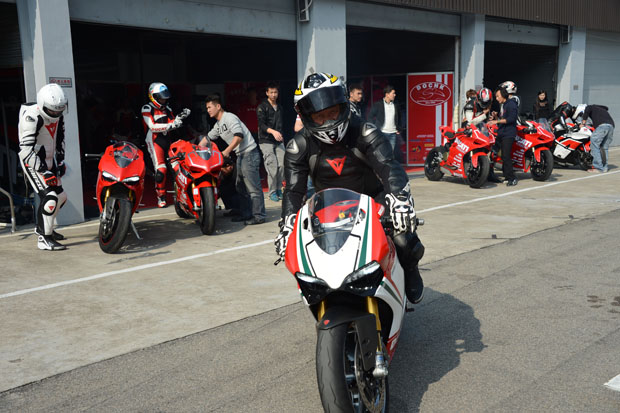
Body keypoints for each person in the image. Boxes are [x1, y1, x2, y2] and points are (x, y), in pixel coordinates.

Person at [275, 72, 425, 304]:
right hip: (327, 207)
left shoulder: (364, 131)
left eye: (332, 112)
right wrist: (287, 225)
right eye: (319, 116)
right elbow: (293, 191)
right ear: (307, 117)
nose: (328, 120)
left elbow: (389, 167)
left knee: (404, 239)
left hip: (373, 200)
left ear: (343, 106)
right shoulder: (298, 146)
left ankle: (410, 269)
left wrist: (400, 199)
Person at [199, 94, 266, 225]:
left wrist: (227, 151)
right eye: (206, 108)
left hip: (249, 154)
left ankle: (259, 216)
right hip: (241, 155)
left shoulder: (229, 118)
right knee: (240, 186)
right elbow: (207, 139)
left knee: (253, 188)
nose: (208, 110)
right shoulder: (218, 124)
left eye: (209, 107)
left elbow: (239, 136)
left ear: (218, 106)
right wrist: (194, 149)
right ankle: (246, 213)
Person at [18, 83, 69, 250]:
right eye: (53, 110)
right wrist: (43, 171)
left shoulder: (58, 115)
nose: (56, 113)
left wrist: (60, 161)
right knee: (50, 198)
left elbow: (60, 139)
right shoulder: (32, 117)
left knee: (61, 198)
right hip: (32, 162)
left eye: (59, 110)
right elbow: (25, 151)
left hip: (49, 159)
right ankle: (44, 238)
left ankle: (45, 228)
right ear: (42, 105)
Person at [141, 82, 190, 208]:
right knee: (161, 170)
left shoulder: (167, 109)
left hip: (167, 140)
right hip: (154, 142)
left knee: (176, 167)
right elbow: (152, 127)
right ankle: (161, 197)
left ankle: (182, 194)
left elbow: (173, 122)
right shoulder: (147, 108)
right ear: (154, 96)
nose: (164, 99)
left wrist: (180, 117)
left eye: (165, 97)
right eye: (161, 97)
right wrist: (171, 125)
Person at [257, 82, 285, 202]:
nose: (274, 95)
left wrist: (280, 135)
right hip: (266, 140)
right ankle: (272, 191)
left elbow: (281, 124)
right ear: (267, 93)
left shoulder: (280, 107)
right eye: (271, 92)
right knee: (272, 166)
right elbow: (261, 125)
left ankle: (279, 188)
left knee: (283, 164)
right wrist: (273, 132)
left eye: (276, 92)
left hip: (278, 140)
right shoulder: (262, 107)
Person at [487, 84, 519, 186]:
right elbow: (504, 117)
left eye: (497, 96)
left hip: (508, 134)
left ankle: (512, 178)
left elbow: (511, 119)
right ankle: (497, 175)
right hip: (501, 133)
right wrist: (496, 117)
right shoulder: (504, 105)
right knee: (493, 153)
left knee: (506, 155)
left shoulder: (511, 104)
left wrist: (496, 121)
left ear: (504, 95)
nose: (496, 99)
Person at [577, 104, 615, 173]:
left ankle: (598, 168)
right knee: (604, 148)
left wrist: (583, 123)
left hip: (602, 126)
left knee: (594, 145)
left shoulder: (590, 107)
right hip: (611, 126)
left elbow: (587, 110)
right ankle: (604, 167)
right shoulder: (602, 110)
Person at [369, 85, 401, 151]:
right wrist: (374, 128)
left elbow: (399, 117)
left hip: (393, 133)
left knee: (390, 154)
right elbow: (370, 116)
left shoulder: (395, 105)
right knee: (382, 153)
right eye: (393, 93)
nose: (395, 95)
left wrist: (399, 128)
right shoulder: (378, 104)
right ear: (387, 94)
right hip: (382, 132)